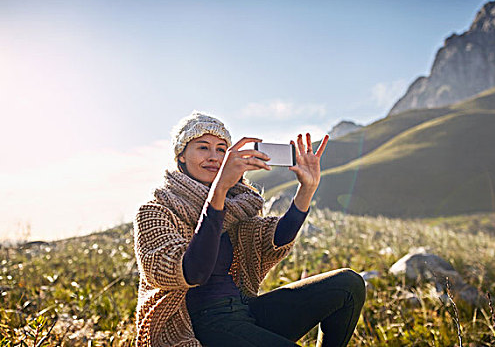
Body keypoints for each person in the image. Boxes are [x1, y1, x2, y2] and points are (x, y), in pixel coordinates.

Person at [134, 112, 366, 347]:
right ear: (181, 156)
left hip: (244, 311)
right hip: (198, 325)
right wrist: (219, 191)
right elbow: (194, 272)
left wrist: (307, 189)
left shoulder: (237, 204)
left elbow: (273, 239)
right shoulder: (155, 211)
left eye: (222, 149)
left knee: (348, 284)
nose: (214, 157)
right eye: (203, 148)